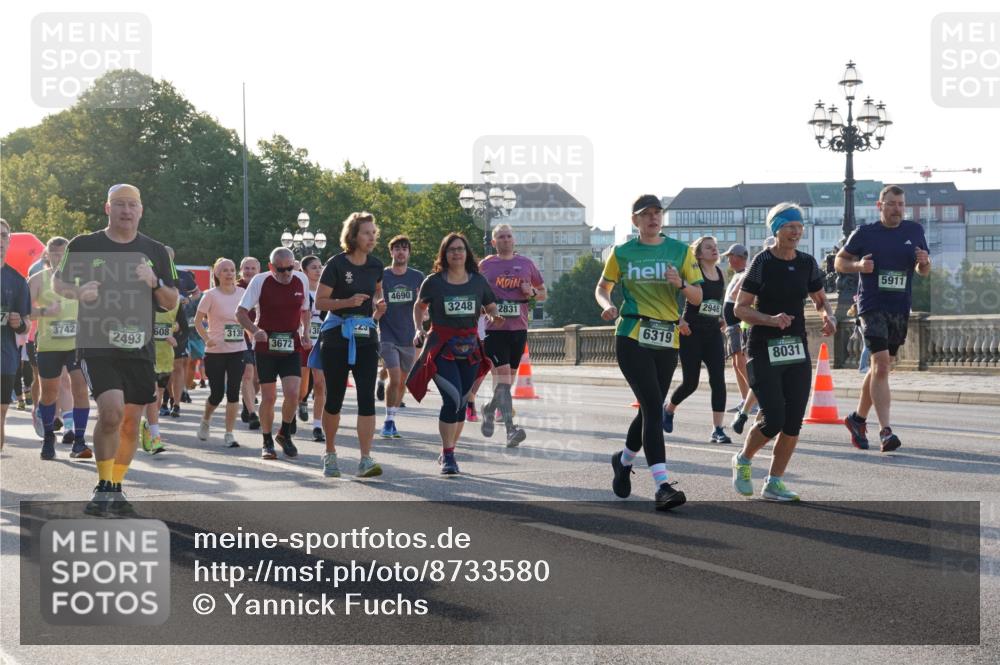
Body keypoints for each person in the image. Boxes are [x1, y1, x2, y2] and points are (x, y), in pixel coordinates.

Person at [53, 184, 178, 515]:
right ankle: (103, 485)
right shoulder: (84, 245)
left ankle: (116, 486)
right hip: (97, 342)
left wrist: (155, 282)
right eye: (120, 204)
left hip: (140, 346)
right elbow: (57, 282)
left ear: (141, 210)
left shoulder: (155, 251)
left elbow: (170, 302)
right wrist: (78, 293)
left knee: (130, 420)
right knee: (111, 412)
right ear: (108, 208)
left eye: (132, 204)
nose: (126, 210)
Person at [595, 195, 703, 511]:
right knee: (654, 407)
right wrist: (608, 305)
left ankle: (624, 461)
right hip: (632, 334)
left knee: (648, 409)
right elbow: (602, 287)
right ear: (636, 221)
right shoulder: (622, 252)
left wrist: (680, 283)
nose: (653, 218)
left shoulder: (680, 252)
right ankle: (662, 485)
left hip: (667, 338)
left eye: (657, 213)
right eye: (646, 215)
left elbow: (697, 297)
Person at [731, 203, 835, 502]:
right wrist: (771, 319)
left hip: (796, 349)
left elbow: (818, 297)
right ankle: (744, 460)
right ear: (776, 228)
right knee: (773, 418)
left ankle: (774, 482)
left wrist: (828, 314)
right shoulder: (762, 262)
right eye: (790, 225)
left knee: (793, 421)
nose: (796, 231)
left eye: (800, 226)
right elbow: (740, 308)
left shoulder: (806, 262)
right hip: (763, 348)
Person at [836, 184, 930, 452]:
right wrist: (858, 266)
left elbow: (923, 270)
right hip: (871, 305)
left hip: (900, 307)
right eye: (891, 203)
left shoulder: (914, 231)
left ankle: (857, 419)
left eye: (900, 204)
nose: (896, 209)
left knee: (883, 365)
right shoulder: (865, 233)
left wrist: (924, 261)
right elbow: (839, 262)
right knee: (880, 364)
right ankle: (885, 431)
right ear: (880, 206)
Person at [407, 233, 500, 475]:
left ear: (467, 253)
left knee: (461, 403)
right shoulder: (434, 282)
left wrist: (492, 313)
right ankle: (448, 455)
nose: (456, 253)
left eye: (460, 249)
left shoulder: (478, 281)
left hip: (470, 348)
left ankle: (450, 449)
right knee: (453, 399)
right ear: (444, 254)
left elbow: (490, 304)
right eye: (451, 250)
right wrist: (418, 327)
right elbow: (419, 305)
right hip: (441, 346)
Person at [313, 212, 386, 478]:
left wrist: (379, 305)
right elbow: (320, 303)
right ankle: (330, 454)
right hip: (336, 336)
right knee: (334, 398)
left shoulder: (377, 265)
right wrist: (346, 302)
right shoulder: (336, 264)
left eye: (374, 233)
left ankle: (365, 459)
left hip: (366, 335)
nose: (372, 237)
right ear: (353, 236)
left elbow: (378, 291)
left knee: (367, 397)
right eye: (367, 232)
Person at [236, 248, 311, 459]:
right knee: (269, 397)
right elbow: (240, 313)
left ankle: (284, 433)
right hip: (266, 345)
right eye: (281, 269)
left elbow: (304, 309)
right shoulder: (260, 281)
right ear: (271, 267)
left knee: (294, 393)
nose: (287, 273)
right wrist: (255, 330)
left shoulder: (301, 280)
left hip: (291, 344)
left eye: (290, 268)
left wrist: (305, 333)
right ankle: (267, 440)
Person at [477, 224, 546, 447]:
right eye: (501, 237)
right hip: (494, 330)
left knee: (508, 381)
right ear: (494, 242)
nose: (505, 240)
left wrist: (532, 292)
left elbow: (543, 293)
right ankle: (510, 430)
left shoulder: (526, 264)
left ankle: (489, 409)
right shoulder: (486, 265)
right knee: (505, 379)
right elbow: (474, 292)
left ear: (514, 240)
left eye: (508, 236)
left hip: (518, 329)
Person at [662, 235, 732, 444]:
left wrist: (720, 318)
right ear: (699, 254)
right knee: (690, 383)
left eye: (715, 247)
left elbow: (714, 301)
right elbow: (670, 298)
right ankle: (669, 409)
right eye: (709, 248)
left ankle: (717, 429)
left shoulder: (720, 272)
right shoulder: (693, 272)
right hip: (690, 333)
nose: (714, 250)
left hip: (712, 333)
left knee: (718, 380)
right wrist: (679, 320)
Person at [28, 236, 92, 459]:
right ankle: (48, 437)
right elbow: (25, 311)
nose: (58, 258)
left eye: (63, 254)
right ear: (47, 255)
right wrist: (45, 312)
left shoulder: (80, 278)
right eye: (54, 253)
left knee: (80, 388)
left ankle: (80, 441)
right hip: (48, 344)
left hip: (77, 343)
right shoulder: (37, 280)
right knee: (50, 392)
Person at [194, 258, 247, 448]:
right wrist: (207, 339)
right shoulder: (210, 295)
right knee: (216, 394)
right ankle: (206, 420)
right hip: (215, 350)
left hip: (237, 349)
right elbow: (198, 321)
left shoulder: (243, 293)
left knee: (233, 392)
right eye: (225, 270)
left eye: (232, 270)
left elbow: (249, 317)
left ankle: (229, 433)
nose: (229, 273)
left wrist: (254, 332)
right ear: (217, 274)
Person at [376, 235, 424, 439]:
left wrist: (425, 315)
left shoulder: (417, 277)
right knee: (395, 378)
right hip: (387, 333)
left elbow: (423, 303)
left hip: (409, 335)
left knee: (402, 382)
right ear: (391, 252)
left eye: (405, 249)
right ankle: (387, 422)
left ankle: (391, 419)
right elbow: (374, 297)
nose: (401, 252)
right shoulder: (382, 275)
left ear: (409, 253)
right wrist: (377, 307)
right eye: (397, 248)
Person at [720, 243, 757, 434]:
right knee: (736, 363)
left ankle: (754, 398)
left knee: (741, 362)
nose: (728, 260)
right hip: (732, 324)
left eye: (730, 256)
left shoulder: (746, 273)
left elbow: (737, 298)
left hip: (739, 324)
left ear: (739, 257)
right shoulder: (737, 274)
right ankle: (746, 400)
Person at [1, 219, 31, 450]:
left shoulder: (18, 281)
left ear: (9, 241)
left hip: (5, 357)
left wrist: (19, 323)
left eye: (3, 236)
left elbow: (27, 326)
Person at [296, 255, 326, 442]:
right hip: (304, 341)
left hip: (322, 341)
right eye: (314, 267)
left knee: (320, 383)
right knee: (302, 383)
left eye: (319, 267)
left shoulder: (326, 292)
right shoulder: (300, 291)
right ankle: (301, 401)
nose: (318, 270)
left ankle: (317, 426)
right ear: (305, 271)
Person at [237, 256, 261, 430]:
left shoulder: (263, 286)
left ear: (258, 270)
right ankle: (252, 412)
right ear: (241, 270)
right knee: (247, 374)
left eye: (253, 268)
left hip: (260, 337)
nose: (249, 271)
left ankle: (248, 402)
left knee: (258, 379)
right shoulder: (236, 289)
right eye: (246, 268)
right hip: (241, 338)